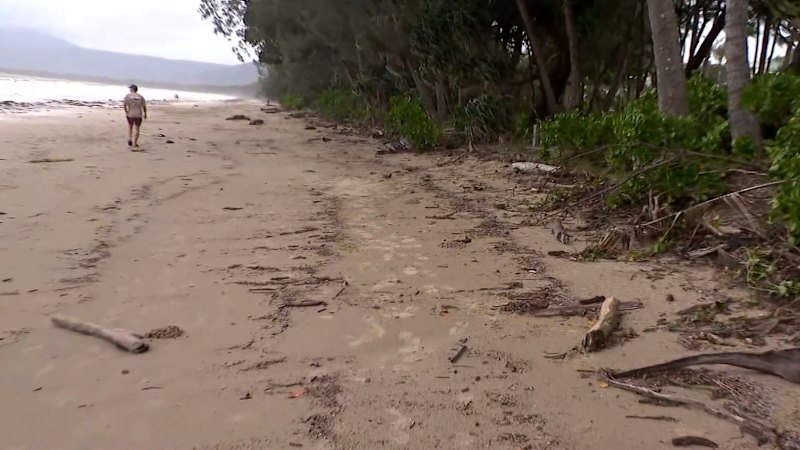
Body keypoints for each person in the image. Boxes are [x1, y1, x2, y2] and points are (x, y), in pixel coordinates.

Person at [123, 84, 147, 149]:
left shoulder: (128, 96)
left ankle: (130, 139)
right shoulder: (141, 97)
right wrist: (145, 114)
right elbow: (144, 106)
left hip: (130, 114)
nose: (129, 89)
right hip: (138, 114)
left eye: (130, 88)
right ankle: (135, 143)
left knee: (130, 127)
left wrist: (126, 112)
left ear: (132, 89)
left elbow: (125, 105)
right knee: (137, 129)